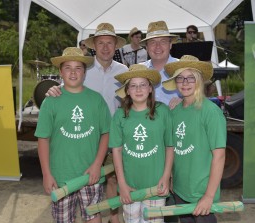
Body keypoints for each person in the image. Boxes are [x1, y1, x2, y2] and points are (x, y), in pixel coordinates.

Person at [46, 22, 128, 223]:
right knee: (93, 182)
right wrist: (52, 90)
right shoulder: (85, 69)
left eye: (110, 43)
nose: (106, 47)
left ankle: (115, 218)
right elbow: (65, 90)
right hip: (88, 139)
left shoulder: (123, 71)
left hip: (114, 135)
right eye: (101, 43)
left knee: (115, 179)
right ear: (94, 46)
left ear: (116, 45)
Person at [35, 47, 112, 223]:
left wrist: (97, 164)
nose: (73, 72)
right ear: (60, 72)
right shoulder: (50, 102)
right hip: (61, 176)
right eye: (68, 67)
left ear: (85, 72)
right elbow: (43, 139)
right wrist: (46, 174)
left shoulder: (96, 100)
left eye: (78, 68)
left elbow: (105, 134)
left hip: (90, 174)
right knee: (63, 219)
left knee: (93, 216)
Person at [162, 55, 226, 223]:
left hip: (201, 193)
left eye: (191, 78)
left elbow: (219, 156)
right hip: (180, 190)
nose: (185, 83)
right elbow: (173, 151)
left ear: (199, 81)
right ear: (175, 82)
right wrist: (170, 179)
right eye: (180, 78)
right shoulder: (174, 112)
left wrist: (209, 196)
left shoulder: (210, 112)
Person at [109, 64, 174, 223]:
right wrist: (122, 184)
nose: (138, 90)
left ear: (150, 88)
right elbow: (116, 151)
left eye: (143, 85)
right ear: (127, 91)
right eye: (133, 86)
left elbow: (169, 147)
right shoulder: (119, 116)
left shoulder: (163, 112)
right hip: (130, 186)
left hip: (155, 185)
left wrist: (166, 177)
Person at [139, 20, 181, 106]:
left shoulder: (182, 68)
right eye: (153, 42)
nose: (158, 46)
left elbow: (197, 97)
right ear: (146, 47)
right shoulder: (139, 71)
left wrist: (185, 102)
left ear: (170, 45)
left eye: (163, 42)